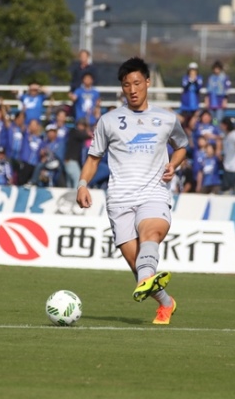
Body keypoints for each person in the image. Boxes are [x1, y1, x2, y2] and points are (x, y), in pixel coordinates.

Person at [76, 57, 189, 325]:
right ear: (122, 88)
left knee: (150, 234)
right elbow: (93, 158)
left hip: (154, 193)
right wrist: (82, 185)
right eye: (127, 85)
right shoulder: (108, 121)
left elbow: (182, 147)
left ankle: (146, 278)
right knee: (137, 264)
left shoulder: (166, 118)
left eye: (137, 83)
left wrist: (173, 164)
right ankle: (166, 302)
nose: (133, 89)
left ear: (147, 82)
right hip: (119, 200)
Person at [63, 118, 91, 188]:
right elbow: (86, 136)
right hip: (71, 161)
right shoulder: (74, 131)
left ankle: (72, 195)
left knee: (70, 184)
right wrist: (88, 129)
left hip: (71, 162)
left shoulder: (77, 134)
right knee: (78, 180)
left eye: (83, 125)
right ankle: (76, 195)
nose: (81, 127)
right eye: (80, 124)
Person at [220, 117, 235, 195]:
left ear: (226, 125)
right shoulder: (226, 135)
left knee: (234, 190)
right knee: (226, 190)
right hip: (227, 166)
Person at [18, 119, 44, 185]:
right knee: (22, 182)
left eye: (34, 125)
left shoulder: (41, 139)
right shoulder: (26, 135)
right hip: (26, 163)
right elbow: (21, 124)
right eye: (31, 125)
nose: (32, 126)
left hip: (35, 164)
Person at [180, 62, 204, 129]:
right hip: (185, 105)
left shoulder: (199, 78)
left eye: (194, 70)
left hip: (195, 105)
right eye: (191, 70)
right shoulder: (185, 78)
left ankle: (192, 134)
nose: (193, 72)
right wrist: (190, 81)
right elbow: (184, 86)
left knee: (194, 122)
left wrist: (195, 80)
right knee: (184, 121)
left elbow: (199, 87)